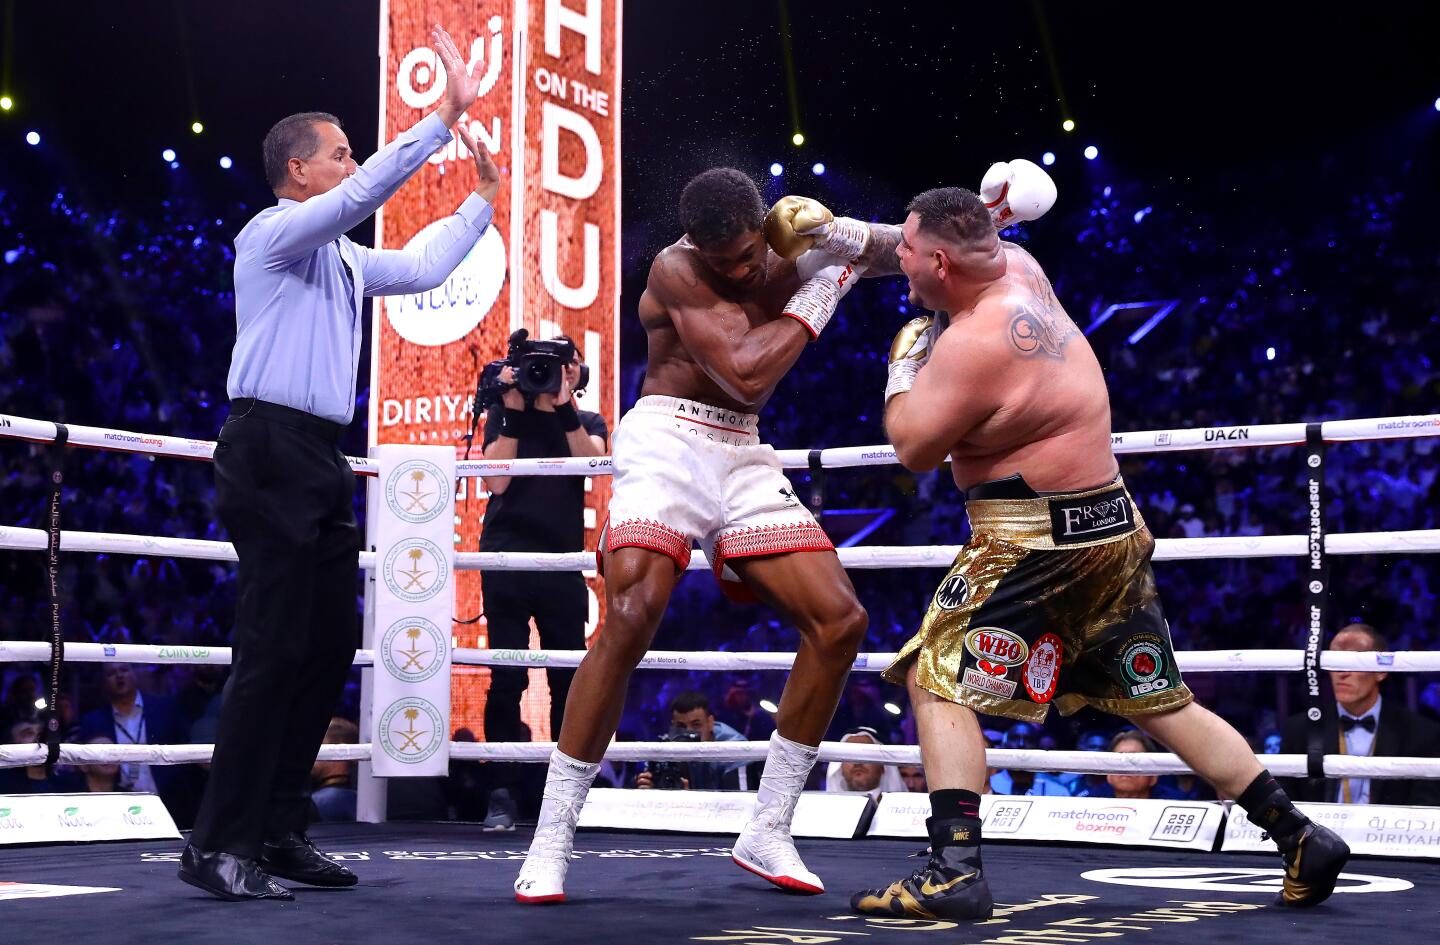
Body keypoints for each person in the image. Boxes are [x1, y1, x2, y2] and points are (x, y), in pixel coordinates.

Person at [851, 170, 1349, 921]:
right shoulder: (1018, 265)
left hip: (1035, 540)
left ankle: (953, 869)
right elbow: (923, 241)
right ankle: (1299, 833)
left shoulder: (972, 343)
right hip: (1109, 524)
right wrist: (836, 238)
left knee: (933, 674)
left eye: (911, 256)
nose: (903, 266)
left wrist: (902, 362)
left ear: (943, 264)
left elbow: (914, 448)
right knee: (1154, 698)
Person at [515, 170, 900, 903]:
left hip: (742, 451)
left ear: (765, 224)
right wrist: (827, 283)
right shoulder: (676, 266)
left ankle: (769, 826)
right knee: (629, 616)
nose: (738, 270)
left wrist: (849, 236)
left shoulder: (790, 236)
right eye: (721, 259)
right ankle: (552, 836)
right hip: (667, 439)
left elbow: (896, 252)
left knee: (841, 620)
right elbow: (747, 375)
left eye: (747, 254)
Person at [179, 25, 501, 902]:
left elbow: (429, 264)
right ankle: (219, 841)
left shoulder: (346, 260)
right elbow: (367, 191)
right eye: (340, 153)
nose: (352, 163)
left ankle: (279, 831)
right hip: (268, 446)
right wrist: (441, 117)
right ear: (301, 172)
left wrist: (485, 199)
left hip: (320, 454)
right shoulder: (271, 234)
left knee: (321, 649)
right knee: (272, 646)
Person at [479, 338, 607, 829]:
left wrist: (564, 406)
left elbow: (591, 464)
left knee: (566, 679)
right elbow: (496, 482)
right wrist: (510, 405)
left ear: (576, 370)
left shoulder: (586, 421)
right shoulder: (503, 412)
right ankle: (501, 792)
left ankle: (563, 795)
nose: (547, 373)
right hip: (507, 558)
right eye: (540, 366)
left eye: (558, 365)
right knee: (507, 677)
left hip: (561, 563)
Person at [1281, 623, 1440, 806]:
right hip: (1321, 831)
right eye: (1335, 662)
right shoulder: (1300, 729)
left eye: (1354, 662)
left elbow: (1426, 807)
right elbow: (1287, 803)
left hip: (1386, 832)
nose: (1342, 673)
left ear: (1380, 671)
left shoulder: (1420, 733)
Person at [79, 663, 197, 823]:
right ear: (104, 681)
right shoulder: (93, 720)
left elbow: (187, 750)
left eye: (124, 670)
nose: (119, 676)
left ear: (135, 674)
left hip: (170, 801)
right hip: (119, 808)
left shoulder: (165, 707)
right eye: (112, 673)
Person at [634, 691, 747, 791]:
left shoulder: (735, 748)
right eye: (681, 726)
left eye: (696, 725)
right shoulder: (667, 745)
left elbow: (739, 805)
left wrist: (690, 800)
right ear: (673, 725)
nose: (689, 733)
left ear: (710, 722)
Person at [824, 728, 905, 802]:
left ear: (883, 766)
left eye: (866, 755)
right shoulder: (828, 811)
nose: (857, 763)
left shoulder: (900, 808)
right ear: (840, 768)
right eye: (849, 756)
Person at [1087, 730, 1159, 799]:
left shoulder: (1169, 803)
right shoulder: (1089, 803)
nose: (1126, 766)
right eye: (1119, 759)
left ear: (1153, 776)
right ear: (1109, 775)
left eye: (1134, 759)